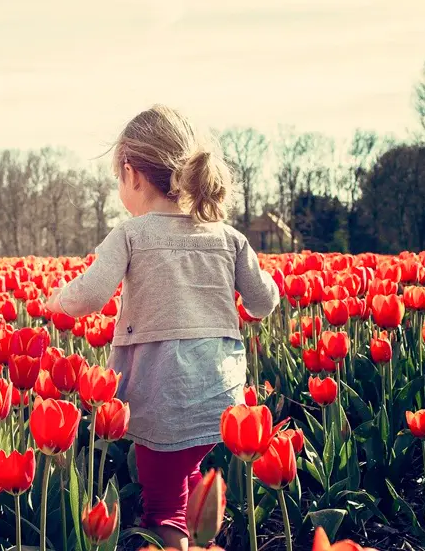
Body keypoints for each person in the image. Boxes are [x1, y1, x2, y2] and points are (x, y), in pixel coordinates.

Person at [46, 105, 279, 550]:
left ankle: (177, 542)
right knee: (190, 479)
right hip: (221, 395)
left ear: (132, 174)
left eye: (119, 178)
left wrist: (57, 298)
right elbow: (264, 301)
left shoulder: (131, 234)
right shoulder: (228, 237)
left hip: (163, 392)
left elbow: (90, 296)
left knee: (163, 508)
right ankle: (201, 538)